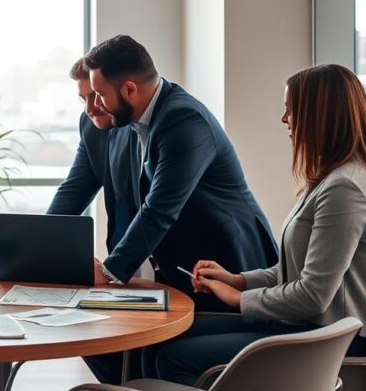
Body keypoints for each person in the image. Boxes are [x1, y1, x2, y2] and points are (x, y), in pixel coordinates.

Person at [146, 63, 366, 385]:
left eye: (291, 110)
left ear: (320, 116)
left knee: (173, 358)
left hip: (321, 336)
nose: (285, 120)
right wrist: (237, 279)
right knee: (159, 341)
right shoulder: (331, 179)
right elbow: (294, 271)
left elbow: (312, 296)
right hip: (301, 324)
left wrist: (237, 299)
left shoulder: (345, 189)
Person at [81, 35, 279, 384]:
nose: (95, 104)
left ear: (128, 90)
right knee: (123, 344)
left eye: (99, 94)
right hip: (191, 269)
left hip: (230, 263)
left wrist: (111, 270)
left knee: (165, 354)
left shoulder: (182, 118)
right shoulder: (141, 121)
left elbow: (160, 209)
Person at [47, 58, 116, 245]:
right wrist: (26, 242)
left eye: (97, 96)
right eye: (83, 99)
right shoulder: (90, 127)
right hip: (131, 257)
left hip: (193, 256)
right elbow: (73, 192)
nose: (89, 109)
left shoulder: (150, 126)